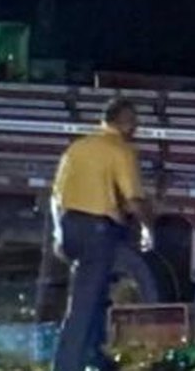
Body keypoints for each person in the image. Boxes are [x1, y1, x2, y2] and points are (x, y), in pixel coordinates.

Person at [51, 98, 153, 371]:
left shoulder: (77, 148)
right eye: (134, 121)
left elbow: (56, 197)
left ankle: (96, 357)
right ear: (124, 122)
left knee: (94, 294)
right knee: (84, 304)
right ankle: (66, 365)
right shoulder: (121, 150)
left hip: (71, 225)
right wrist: (147, 227)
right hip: (97, 230)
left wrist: (58, 234)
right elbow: (132, 200)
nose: (137, 127)